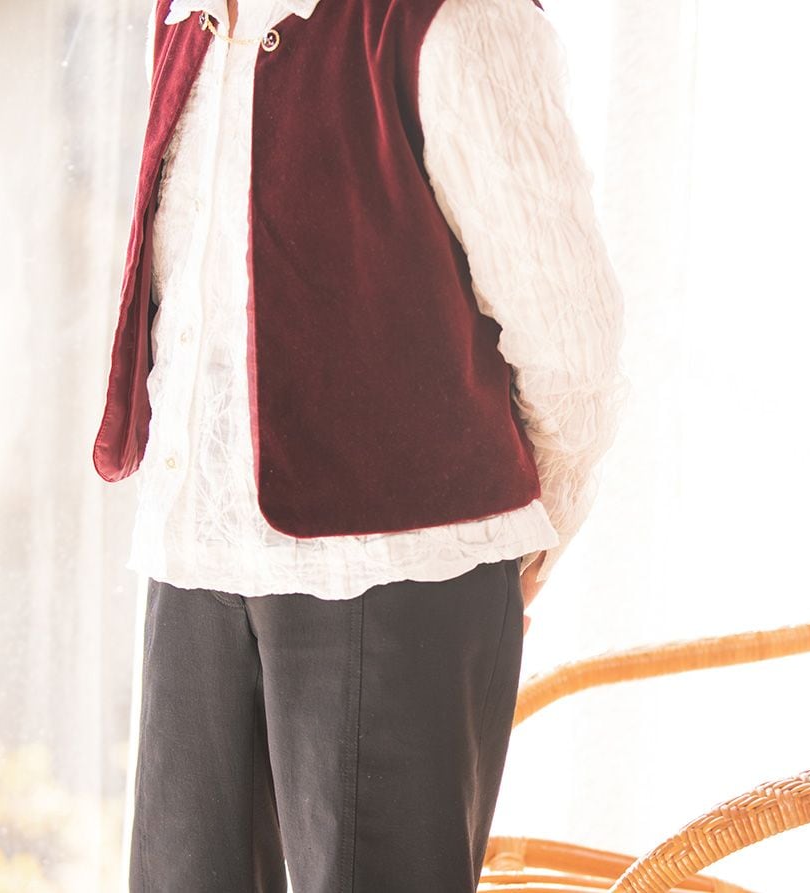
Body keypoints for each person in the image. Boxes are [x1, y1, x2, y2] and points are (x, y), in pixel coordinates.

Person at [92, 0, 629, 889]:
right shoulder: (188, 18)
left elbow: (572, 338)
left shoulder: (453, 20)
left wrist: (525, 538)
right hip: (194, 551)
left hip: (395, 574)